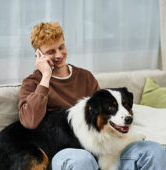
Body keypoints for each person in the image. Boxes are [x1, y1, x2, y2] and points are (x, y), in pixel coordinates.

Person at [18, 21, 166, 170]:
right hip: (62, 150)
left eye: (61, 47)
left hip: (103, 149)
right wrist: (45, 77)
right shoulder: (33, 83)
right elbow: (30, 121)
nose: (58, 55)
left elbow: (104, 117)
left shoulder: (85, 77)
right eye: (51, 51)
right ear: (39, 54)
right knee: (82, 159)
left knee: (154, 151)